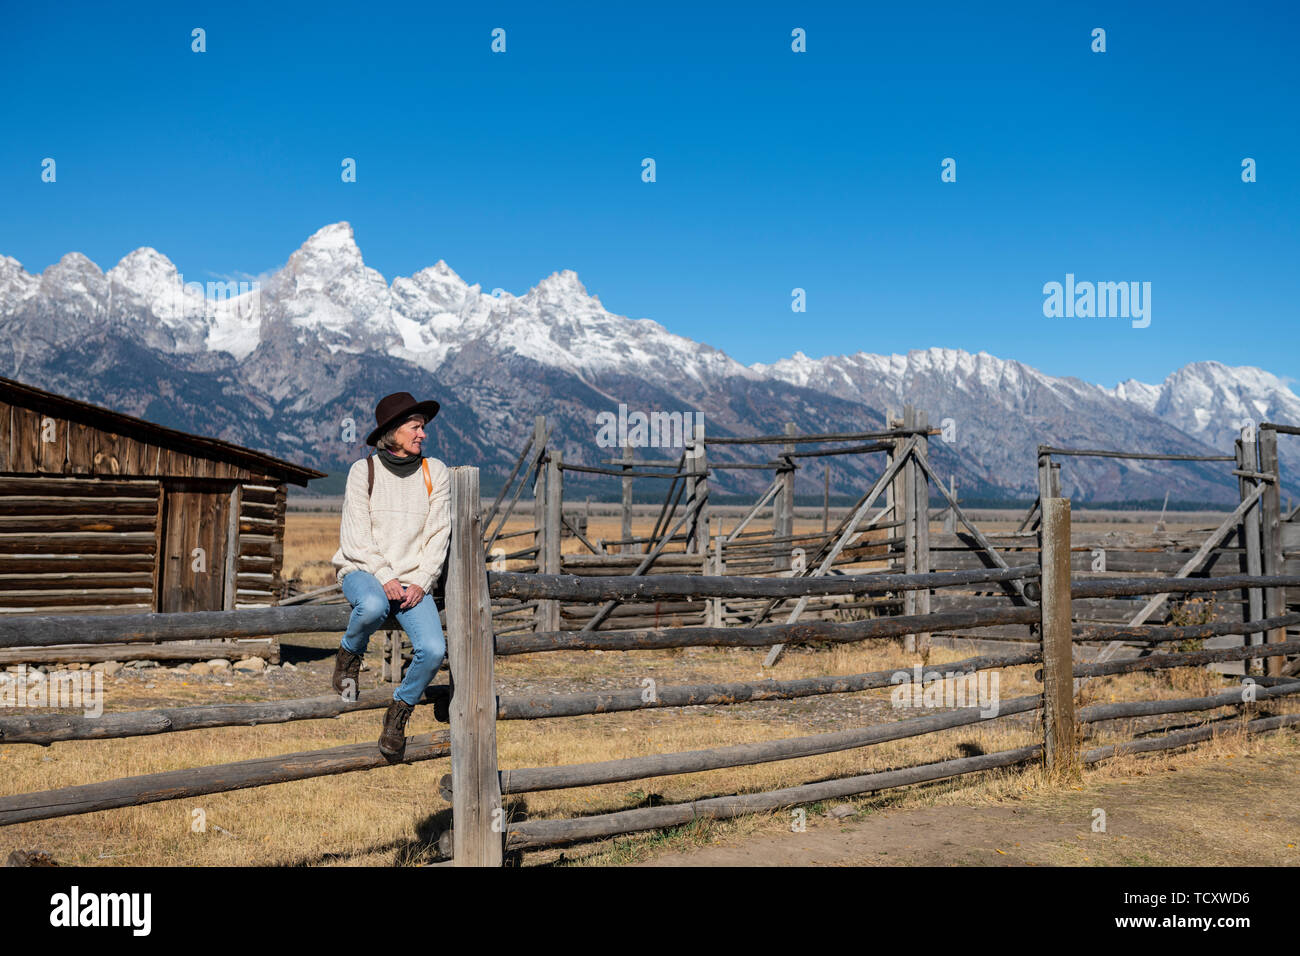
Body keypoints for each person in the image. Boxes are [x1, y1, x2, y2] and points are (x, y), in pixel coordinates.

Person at [330, 391, 451, 760]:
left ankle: (399, 711)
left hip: (413, 580)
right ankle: (349, 655)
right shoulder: (362, 471)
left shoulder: (436, 472)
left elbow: (438, 532)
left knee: (433, 650)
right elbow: (356, 537)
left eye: (423, 427)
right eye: (415, 427)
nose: (422, 434)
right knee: (371, 605)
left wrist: (424, 579)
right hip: (364, 570)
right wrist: (384, 576)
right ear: (393, 431)